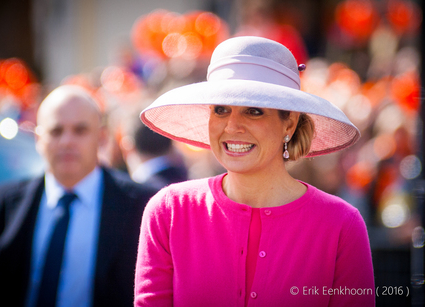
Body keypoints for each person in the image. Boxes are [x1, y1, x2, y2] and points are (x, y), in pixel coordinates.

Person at [134, 36, 375, 306]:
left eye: (254, 111)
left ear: (289, 124)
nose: (232, 126)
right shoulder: (169, 211)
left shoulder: (341, 225)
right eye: (221, 109)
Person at [0, 85, 157, 307]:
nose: (67, 142)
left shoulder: (141, 206)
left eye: (80, 130)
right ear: (38, 139)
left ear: (102, 138)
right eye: (56, 131)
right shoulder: (0, 204)